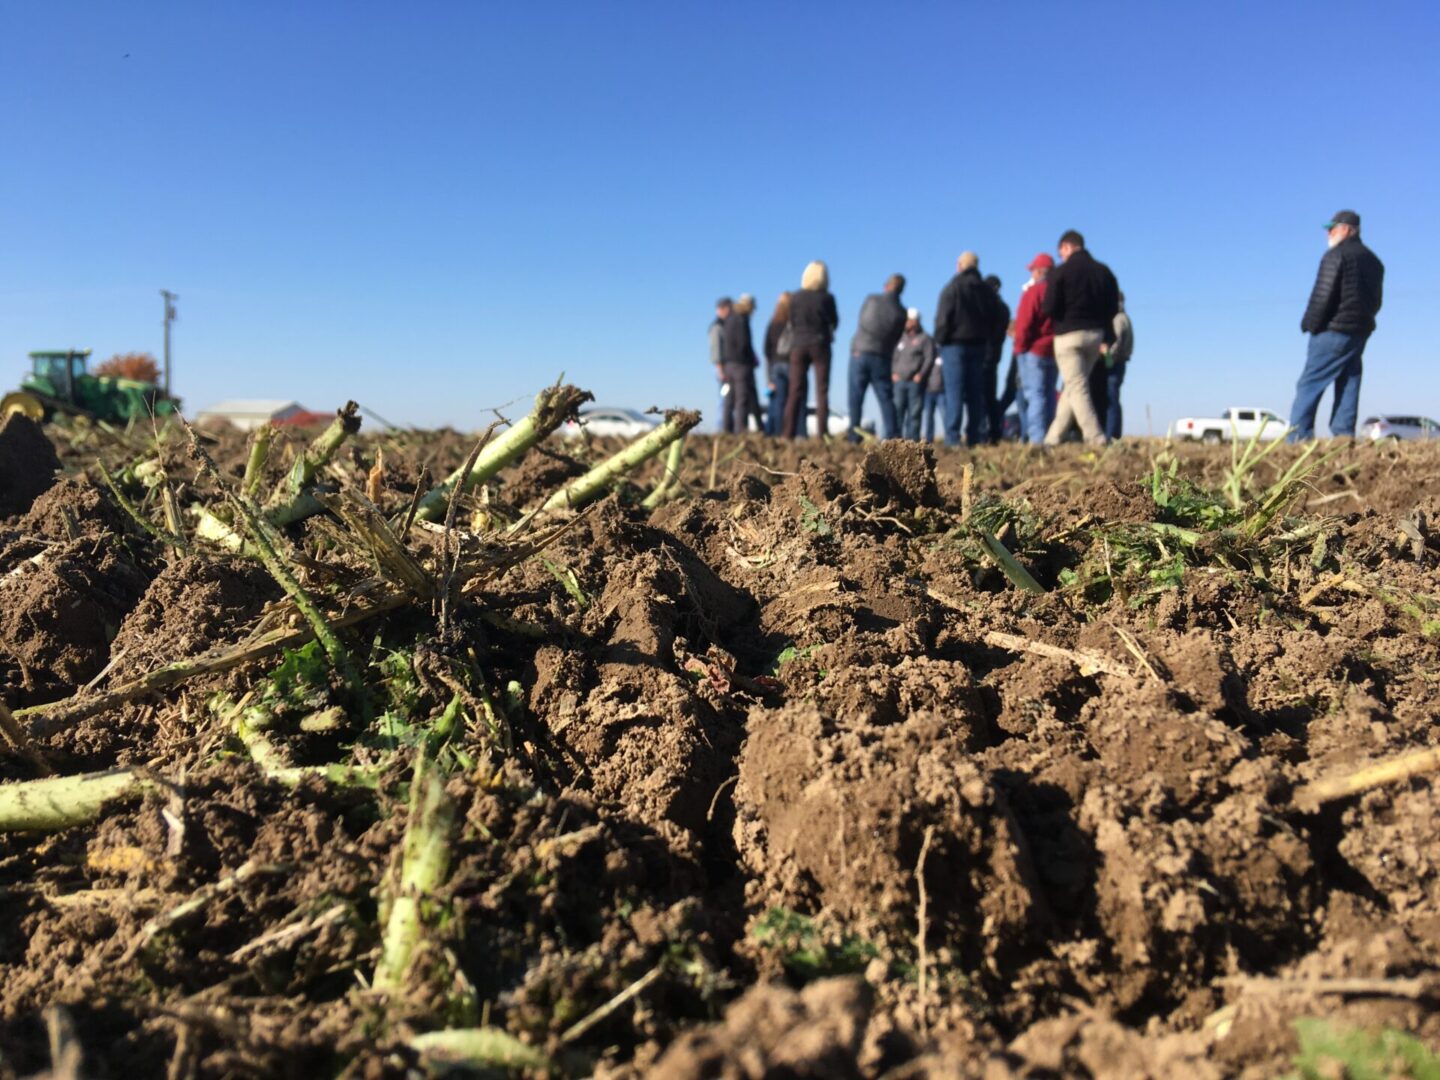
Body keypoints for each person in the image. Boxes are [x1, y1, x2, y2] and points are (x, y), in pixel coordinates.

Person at [1289, 210, 1384, 441]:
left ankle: (1298, 438)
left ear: (1349, 229)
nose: (1329, 233)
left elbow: (1323, 295)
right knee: (1349, 380)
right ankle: (1343, 437)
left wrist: (1309, 323)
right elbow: (1376, 301)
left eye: (1333, 227)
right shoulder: (1375, 262)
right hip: (1359, 332)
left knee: (1310, 382)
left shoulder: (1335, 255)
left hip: (1332, 331)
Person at [1042, 230, 1119, 447]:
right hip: (1095, 336)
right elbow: (1112, 309)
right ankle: (1052, 438)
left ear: (1067, 247)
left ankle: (1096, 438)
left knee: (1076, 386)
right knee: (1074, 386)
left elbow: (1048, 307)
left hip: (1068, 337)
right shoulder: (1104, 272)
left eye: (1061, 252)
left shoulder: (1061, 272)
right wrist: (1107, 336)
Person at [934, 252, 1004, 445]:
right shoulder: (986, 291)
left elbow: (942, 318)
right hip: (979, 347)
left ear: (960, 265)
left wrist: (940, 341)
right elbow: (996, 319)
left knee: (954, 392)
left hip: (954, 346)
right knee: (975, 393)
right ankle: (974, 436)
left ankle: (952, 438)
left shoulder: (953, 287)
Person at [782, 261, 839, 439]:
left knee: (795, 390)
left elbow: (791, 320)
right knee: (821, 390)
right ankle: (822, 433)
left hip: (798, 345)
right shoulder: (827, 298)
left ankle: (787, 433)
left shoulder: (795, 298)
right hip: (820, 344)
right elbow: (834, 322)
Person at [847, 274, 906, 440]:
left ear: (887, 286)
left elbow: (862, 321)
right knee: (886, 398)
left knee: (856, 398)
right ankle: (893, 436)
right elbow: (896, 337)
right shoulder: (901, 312)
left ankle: (854, 436)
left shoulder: (871, 300)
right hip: (881, 356)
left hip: (860, 352)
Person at [1011, 254, 1058, 445]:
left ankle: (1037, 439)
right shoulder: (1059, 293)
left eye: (1033, 270)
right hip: (1053, 351)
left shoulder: (1033, 292)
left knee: (1035, 394)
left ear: (1039, 271)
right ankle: (1049, 435)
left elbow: (1024, 323)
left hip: (1033, 351)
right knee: (1049, 394)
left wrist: (1019, 348)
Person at [891, 307, 937, 441]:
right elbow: (895, 356)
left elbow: (929, 358)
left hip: (914, 382)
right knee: (898, 410)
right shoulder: (901, 338)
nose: (909, 323)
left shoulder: (925, 339)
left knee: (914, 413)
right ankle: (896, 441)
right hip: (899, 381)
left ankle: (913, 441)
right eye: (908, 320)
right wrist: (893, 372)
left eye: (912, 320)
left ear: (917, 321)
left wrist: (921, 374)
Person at [721, 294, 759, 434]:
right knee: (742, 399)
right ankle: (740, 429)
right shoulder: (742, 320)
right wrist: (751, 359)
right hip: (741, 365)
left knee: (730, 399)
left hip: (729, 364)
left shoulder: (729, 319)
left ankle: (726, 428)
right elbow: (744, 344)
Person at [982, 275, 1011, 443]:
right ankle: (994, 431)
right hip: (994, 355)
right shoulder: (1004, 308)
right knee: (990, 395)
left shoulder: (986, 307)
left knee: (980, 396)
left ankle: (985, 431)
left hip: (984, 354)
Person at [763, 291, 795, 436]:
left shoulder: (772, 323)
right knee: (790, 400)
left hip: (775, 366)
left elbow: (766, 349)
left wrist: (768, 376)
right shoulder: (792, 323)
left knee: (777, 401)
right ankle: (785, 432)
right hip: (790, 364)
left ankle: (774, 432)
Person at [1103, 293, 1133, 440]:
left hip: (1114, 363)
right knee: (1114, 398)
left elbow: (1115, 344)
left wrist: (1106, 358)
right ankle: (1114, 434)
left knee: (1111, 398)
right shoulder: (1125, 318)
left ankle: (1110, 435)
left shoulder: (1118, 319)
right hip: (1120, 363)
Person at [709, 297, 732, 432]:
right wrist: (720, 369)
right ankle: (721, 427)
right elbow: (716, 349)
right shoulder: (717, 327)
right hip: (721, 367)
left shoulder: (722, 325)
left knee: (725, 398)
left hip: (722, 366)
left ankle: (723, 426)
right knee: (724, 398)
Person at [922, 351, 945, 442]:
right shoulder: (925, 359)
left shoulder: (943, 357)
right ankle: (928, 439)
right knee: (928, 417)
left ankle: (948, 437)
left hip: (941, 392)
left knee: (945, 415)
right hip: (928, 391)